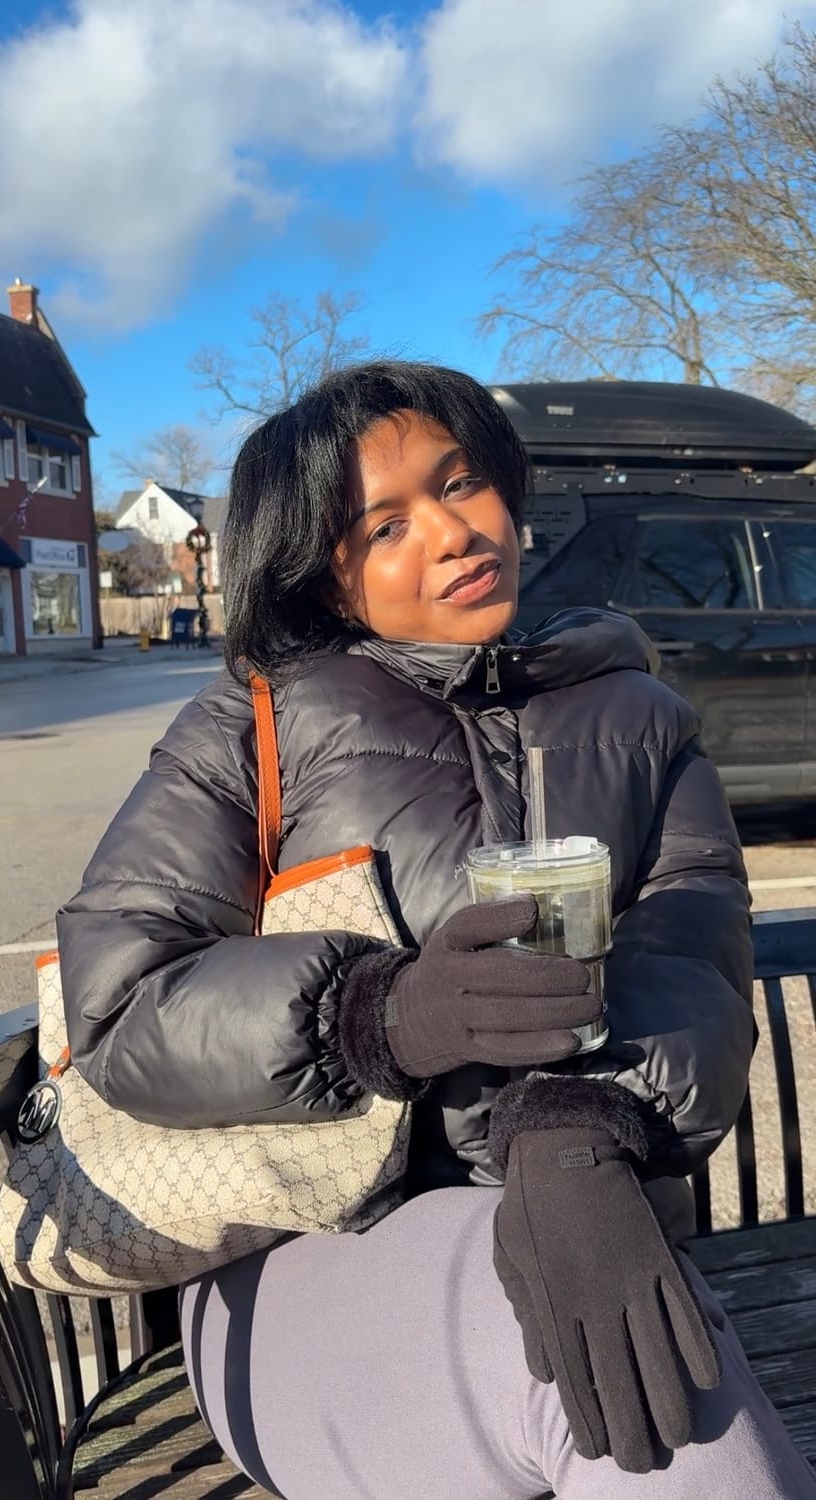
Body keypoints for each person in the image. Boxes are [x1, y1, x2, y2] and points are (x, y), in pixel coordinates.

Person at [57, 361, 816, 1500]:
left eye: (460, 484)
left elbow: (689, 958)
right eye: (385, 525)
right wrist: (378, 1015)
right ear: (320, 570)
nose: (454, 533)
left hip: (594, 1214)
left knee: (654, 1392)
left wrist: (576, 1129)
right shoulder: (251, 725)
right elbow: (121, 1002)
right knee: (631, 1403)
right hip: (299, 1246)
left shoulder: (642, 719)